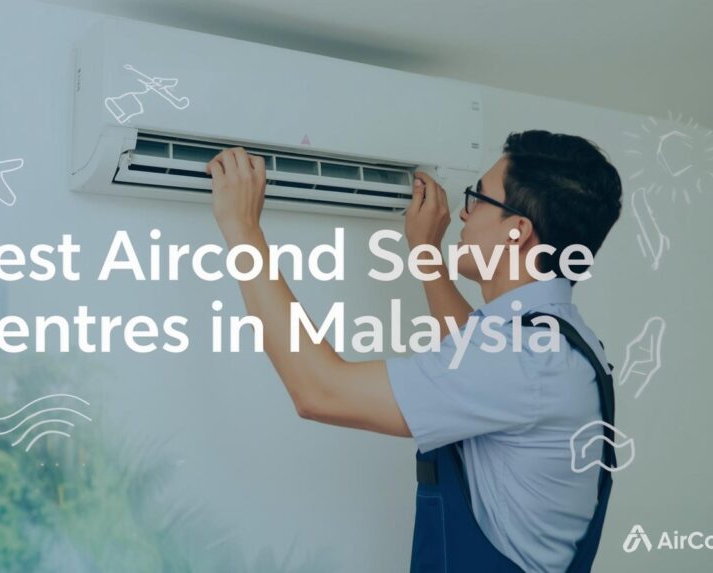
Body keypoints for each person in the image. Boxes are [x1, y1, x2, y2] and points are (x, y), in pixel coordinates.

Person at [205, 130, 623, 572]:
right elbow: (470, 352)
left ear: (516, 231)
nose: (464, 214)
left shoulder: (523, 359)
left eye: (478, 198)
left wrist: (243, 230)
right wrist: (425, 253)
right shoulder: (558, 340)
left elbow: (320, 391)